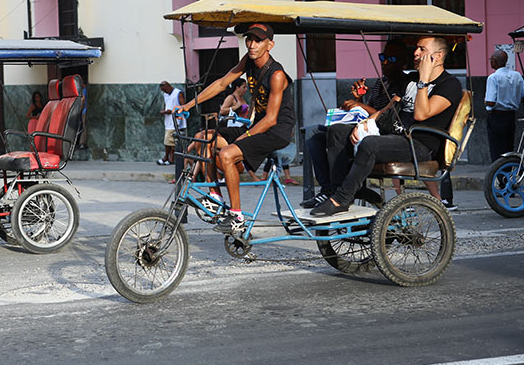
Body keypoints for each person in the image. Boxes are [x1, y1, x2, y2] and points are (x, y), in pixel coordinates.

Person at [311, 36, 462, 216]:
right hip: (395, 135)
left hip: (420, 144)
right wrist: (366, 122)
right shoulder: (410, 79)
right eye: (416, 48)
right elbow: (389, 107)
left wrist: (424, 81)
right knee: (336, 131)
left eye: (421, 49)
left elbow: (421, 114)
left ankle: (340, 199)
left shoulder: (449, 84)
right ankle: (338, 193)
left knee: (371, 144)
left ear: (436, 56)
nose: (415, 53)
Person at [176, 23, 296, 233]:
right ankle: (215, 196)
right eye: (249, 39)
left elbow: (270, 119)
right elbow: (222, 83)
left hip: (276, 131)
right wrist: (187, 105)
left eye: (258, 40)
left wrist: (244, 138)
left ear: (270, 44)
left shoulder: (277, 75)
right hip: (257, 125)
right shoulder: (248, 62)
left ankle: (236, 216)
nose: (251, 44)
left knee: (227, 154)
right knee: (203, 137)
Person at [301, 39, 413, 208]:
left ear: (404, 63)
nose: (384, 62)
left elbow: (388, 116)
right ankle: (327, 189)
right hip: (363, 128)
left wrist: (361, 105)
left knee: (336, 132)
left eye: (391, 59)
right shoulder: (380, 83)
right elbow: (369, 112)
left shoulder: (405, 84)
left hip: (382, 134)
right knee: (312, 133)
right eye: (383, 57)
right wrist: (358, 99)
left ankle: (337, 192)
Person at [485, 50, 524, 162]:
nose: (490, 62)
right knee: (508, 147)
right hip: (510, 116)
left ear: (496, 62)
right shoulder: (517, 75)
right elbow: (523, 97)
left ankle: (499, 175)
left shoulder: (493, 77)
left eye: (491, 60)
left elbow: (490, 102)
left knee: (496, 149)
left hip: (497, 117)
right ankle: (507, 172)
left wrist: (486, 101)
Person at [157, 81, 186, 166]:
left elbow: (184, 106)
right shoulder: (166, 95)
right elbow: (167, 104)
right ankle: (171, 159)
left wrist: (173, 111)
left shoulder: (178, 93)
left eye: (165, 90)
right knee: (171, 142)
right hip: (168, 121)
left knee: (169, 141)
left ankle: (167, 157)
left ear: (168, 86)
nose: (164, 92)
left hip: (176, 121)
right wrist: (164, 111)